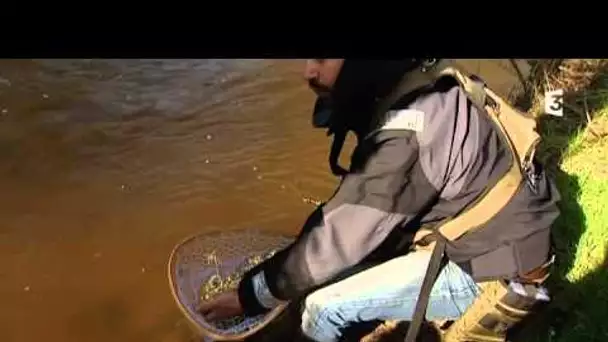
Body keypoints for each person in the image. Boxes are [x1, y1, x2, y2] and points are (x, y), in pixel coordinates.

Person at [198, 59, 561, 341]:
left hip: (496, 270)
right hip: (498, 233)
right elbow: (353, 215)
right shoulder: (414, 79)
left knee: (321, 308)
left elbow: (336, 239)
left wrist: (248, 296)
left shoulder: (405, 134)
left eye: (322, 58)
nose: (307, 71)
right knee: (330, 268)